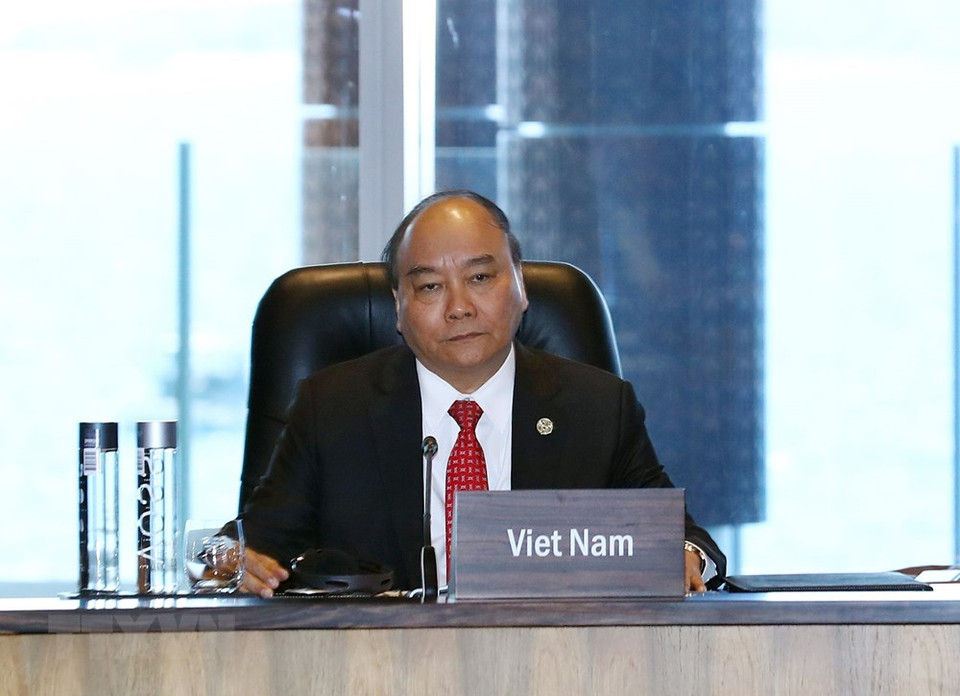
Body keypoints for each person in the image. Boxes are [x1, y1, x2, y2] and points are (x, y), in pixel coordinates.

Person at [238, 189, 726, 597]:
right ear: (399, 308)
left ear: (520, 285)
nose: (459, 307)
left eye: (479, 278)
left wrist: (685, 556)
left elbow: (683, 538)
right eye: (430, 287)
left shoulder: (597, 408)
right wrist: (232, 564)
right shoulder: (333, 409)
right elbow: (252, 546)